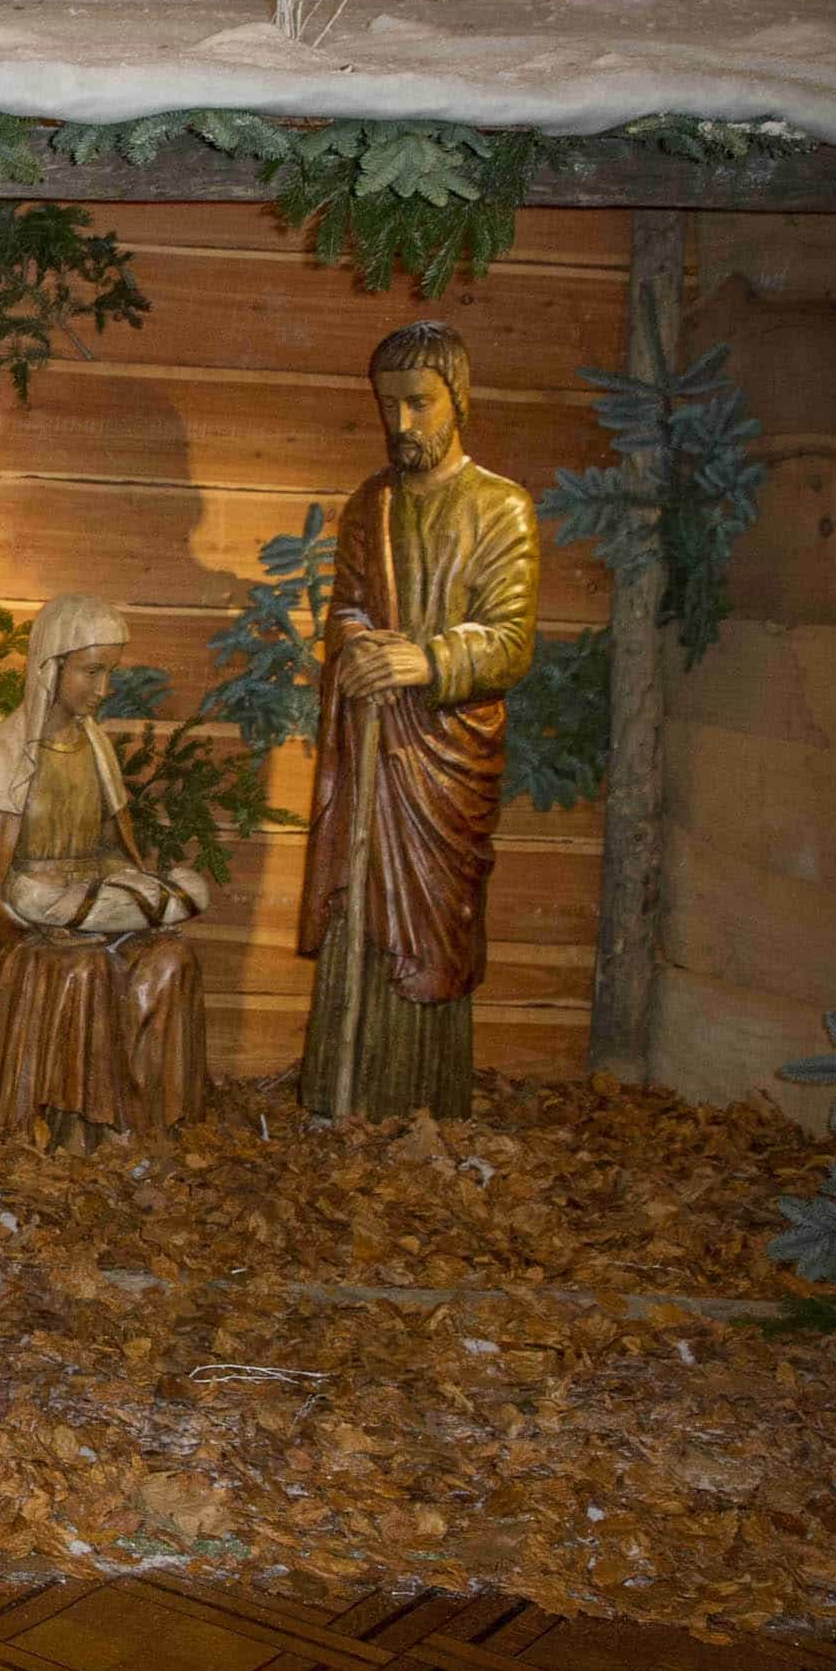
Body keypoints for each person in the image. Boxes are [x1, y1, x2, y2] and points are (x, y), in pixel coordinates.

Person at [297, 321, 540, 1122]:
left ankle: (415, 1101)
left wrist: (428, 662)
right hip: (373, 755)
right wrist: (358, 645)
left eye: (418, 403)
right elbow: (347, 607)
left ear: (456, 399)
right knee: (361, 912)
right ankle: (344, 1089)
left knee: (433, 930)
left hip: (444, 758)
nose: (401, 424)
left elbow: (508, 642)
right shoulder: (370, 504)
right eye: (386, 406)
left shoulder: (501, 508)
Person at [0, 592, 211, 1140]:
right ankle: (76, 1130)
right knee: (84, 970)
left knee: (172, 959)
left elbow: (115, 849)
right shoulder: (6, 751)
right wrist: (43, 918)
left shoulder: (96, 748)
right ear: (52, 666)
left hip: (92, 901)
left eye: (109, 673)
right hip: (25, 925)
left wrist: (137, 888)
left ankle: (147, 1121)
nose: (103, 690)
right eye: (91, 671)